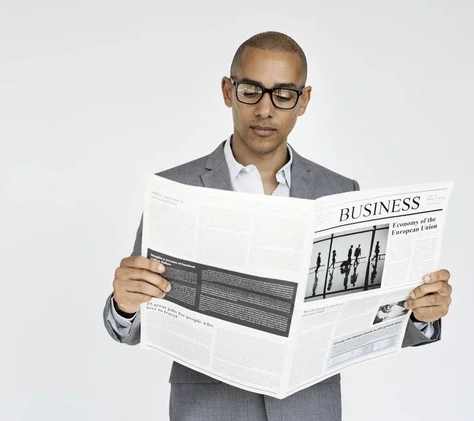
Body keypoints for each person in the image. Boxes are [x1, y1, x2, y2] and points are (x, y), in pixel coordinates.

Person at [102, 31, 453, 421]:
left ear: (303, 101)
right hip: (208, 410)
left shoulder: (340, 192)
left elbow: (368, 318)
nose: (265, 109)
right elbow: (128, 329)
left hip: (308, 409)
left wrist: (421, 315)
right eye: (251, 89)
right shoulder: (175, 189)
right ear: (227, 91)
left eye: (283, 94)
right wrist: (125, 305)